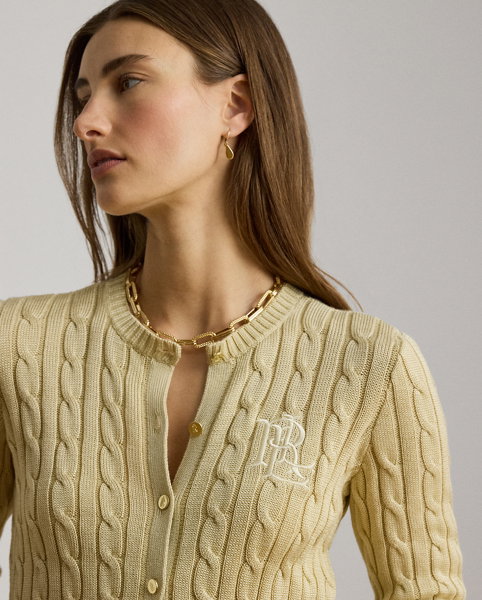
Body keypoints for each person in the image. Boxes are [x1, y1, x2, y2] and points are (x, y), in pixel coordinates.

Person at [0, 1, 466, 599]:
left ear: (236, 105)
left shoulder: (370, 366)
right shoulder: (21, 346)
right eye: (83, 96)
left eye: (129, 82)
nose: (85, 122)